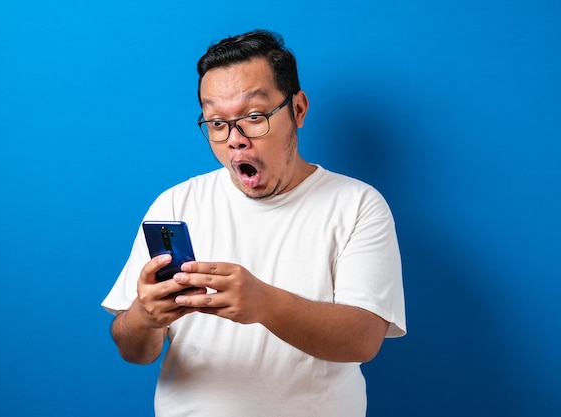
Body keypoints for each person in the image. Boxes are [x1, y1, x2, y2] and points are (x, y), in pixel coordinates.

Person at [102, 29, 406, 417]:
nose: (235, 139)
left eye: (254, 116)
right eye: (217, 123)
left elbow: (363, 340)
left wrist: (264, 303)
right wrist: (144, 317)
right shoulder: (175, 204)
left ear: (297, 109)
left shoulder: (357, 205)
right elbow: (135, 351)